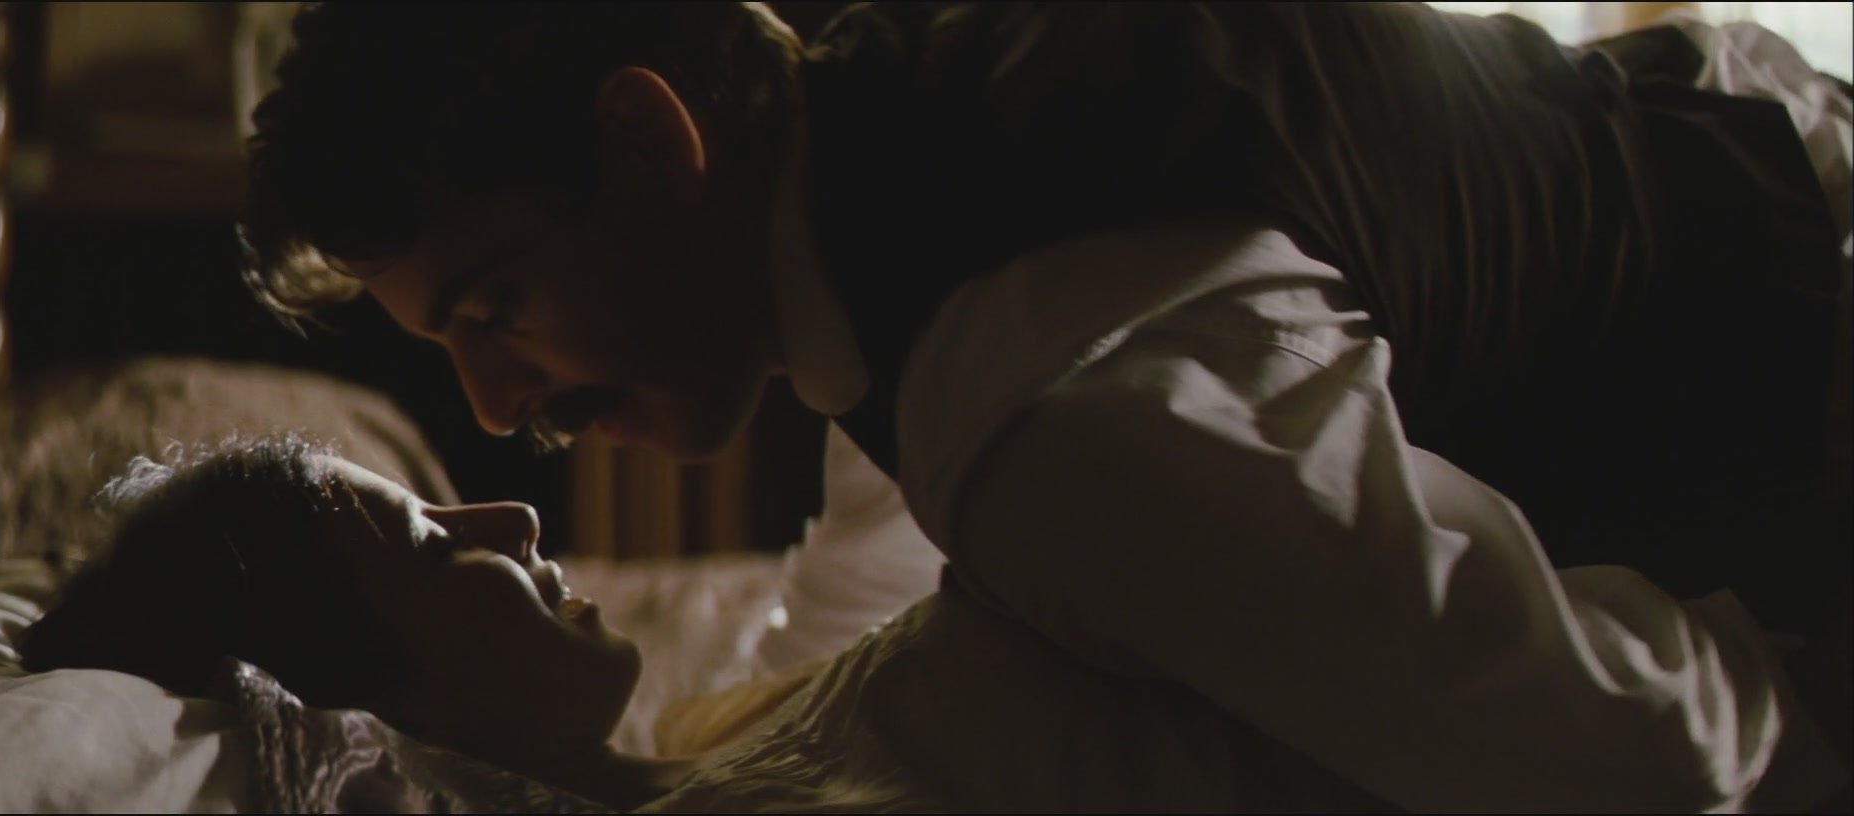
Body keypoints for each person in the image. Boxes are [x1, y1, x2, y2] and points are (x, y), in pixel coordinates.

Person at [235, 3, 1851, 811]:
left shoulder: (1052, 410)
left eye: (495, 309)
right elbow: (872, 584)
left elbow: (1619, 750)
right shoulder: (894, 152)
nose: (497, 411)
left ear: (653, 149)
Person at [22, 433, 1399, 812]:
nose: (519, 516)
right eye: (435, 546)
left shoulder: (724, 723)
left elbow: (882, 530)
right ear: (371, 714)